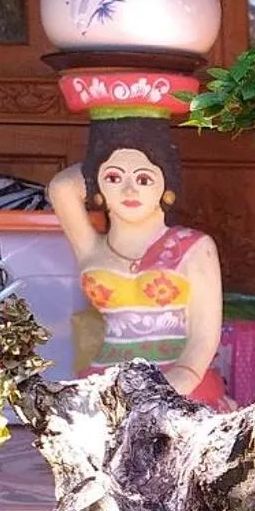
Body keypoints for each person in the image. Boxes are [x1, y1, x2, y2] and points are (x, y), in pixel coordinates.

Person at [48, 117, 225, 404]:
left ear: (166, 186)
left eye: (144, 179)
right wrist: (106, 151)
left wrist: (169, 388)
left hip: (180, 382)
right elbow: (62, 188)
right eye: (114, 179)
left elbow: (203, 340)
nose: (129, 191)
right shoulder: (93, 248)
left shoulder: (194, 247)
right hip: (106, 382)